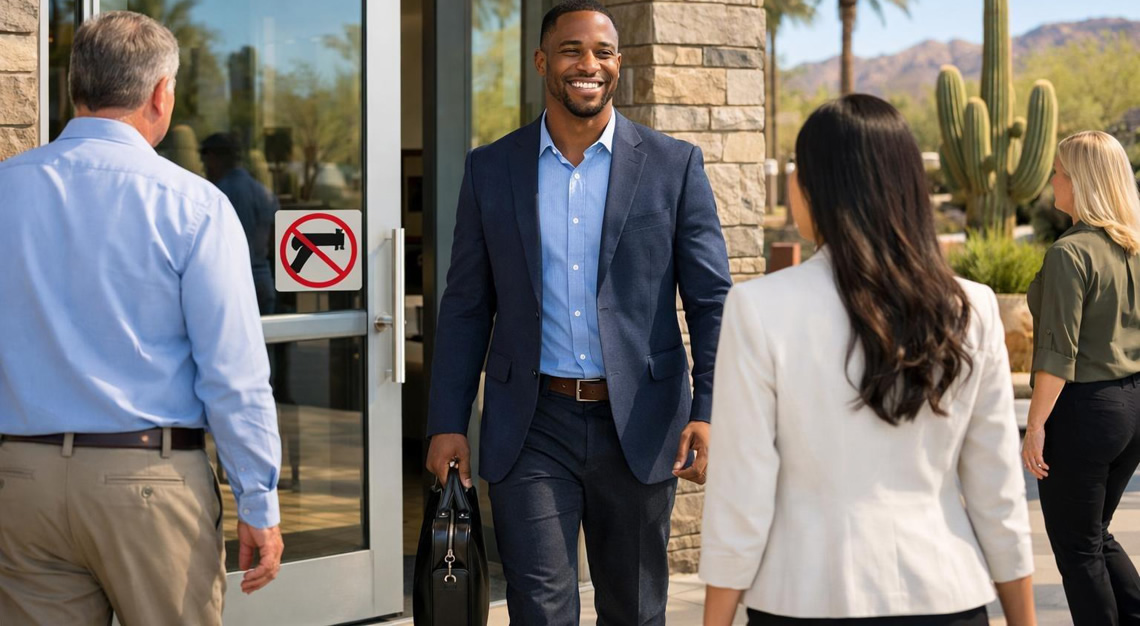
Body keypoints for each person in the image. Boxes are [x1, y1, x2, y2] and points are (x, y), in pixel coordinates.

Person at [424, 1, 732, 622]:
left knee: (636, 608)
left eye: (603, 52)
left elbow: (710, 301)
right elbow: (465, 305)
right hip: (531, 424)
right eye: (571, 51)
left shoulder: (674, 167)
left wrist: (710, 409)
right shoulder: (491, 168)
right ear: (542, 61)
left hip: (642, 424)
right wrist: (447, 420)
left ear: (618, 64)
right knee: (540, 609)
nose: (588, 65)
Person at [700, 95, 1036, 625]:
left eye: (797, 170)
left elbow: (741, 492)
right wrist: (1025, 619)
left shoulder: (758, 308)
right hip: (947, 597)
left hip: (803, 599)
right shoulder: (972, 308)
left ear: (820, 187)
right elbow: (998, 491)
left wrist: (713, 620)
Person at [0, 12, 283, 625]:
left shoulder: (6, 190)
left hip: (22, 479)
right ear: (161, 94)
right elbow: (232, 374)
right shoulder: (194, 205)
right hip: (148, 483)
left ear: (77, 86)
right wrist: (258, 500)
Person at [1021, 130, 1140, 624]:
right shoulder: (1133, 246)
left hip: (1086, 412)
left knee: (1076, 548)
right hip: (1132, 411)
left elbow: (1056, 354)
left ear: (1081, 181)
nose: (1052, 180)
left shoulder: (1071, 253)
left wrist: (1034, 427)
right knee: (1094, 535)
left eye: (1059, 172)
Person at [200, 132, 278, 316]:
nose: (204, 169)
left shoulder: (217, 195)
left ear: (212, 158)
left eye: (204, 162)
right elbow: (275, 238)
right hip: (263, 280)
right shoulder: (264, 192)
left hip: (233, 283)